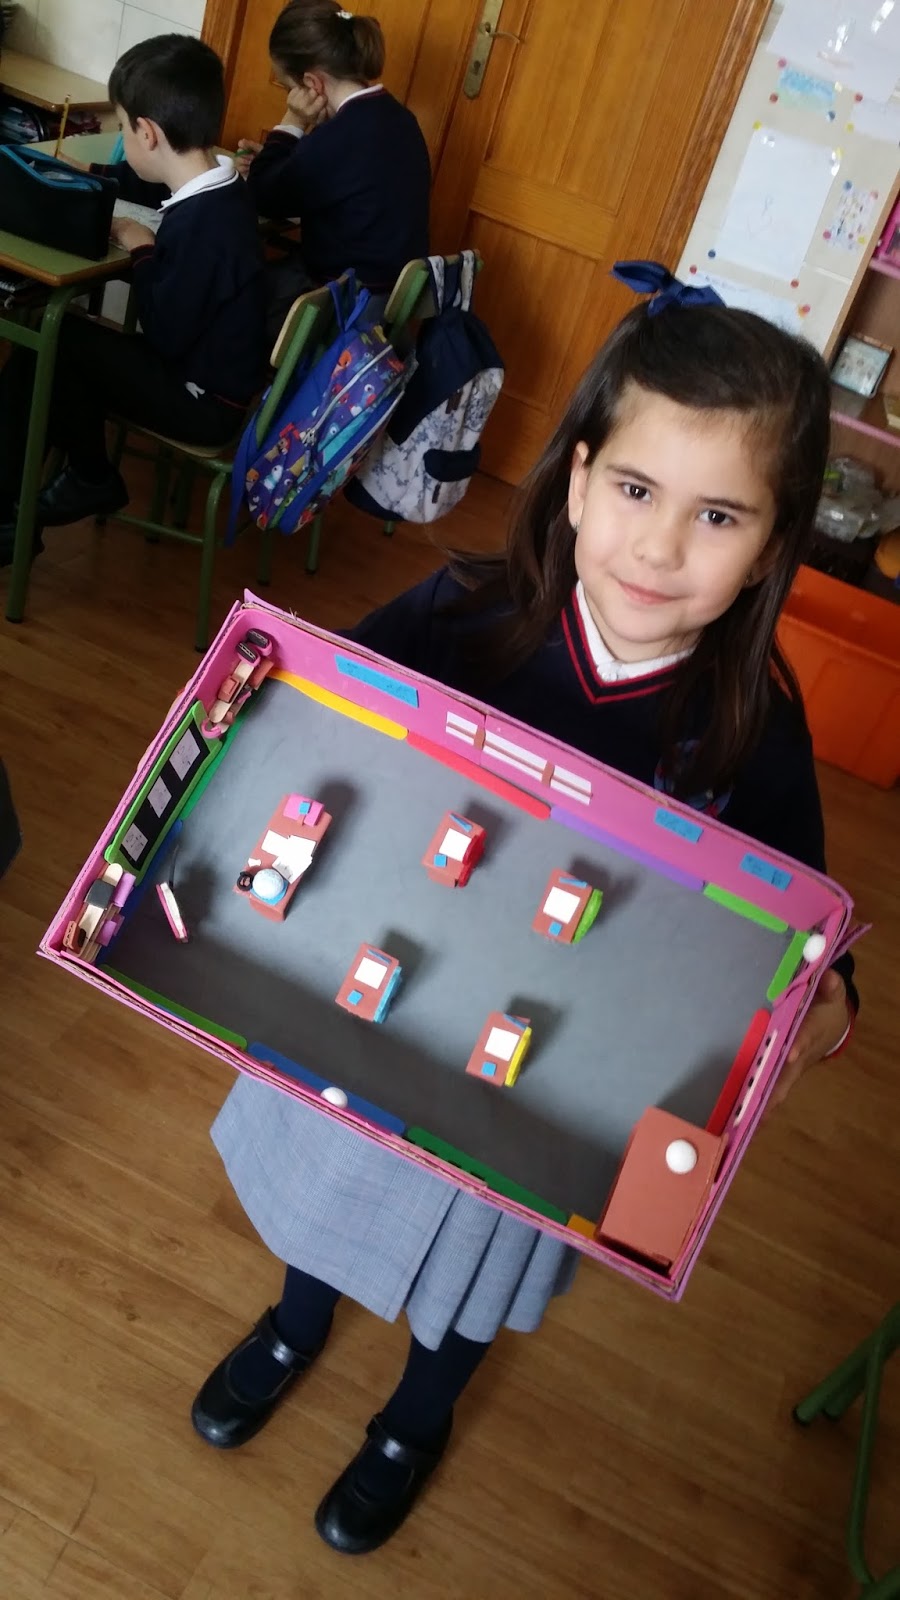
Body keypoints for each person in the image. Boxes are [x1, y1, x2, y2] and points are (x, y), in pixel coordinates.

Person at [191, 261, 857, 1558]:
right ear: (580, 478)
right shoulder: (465, 612)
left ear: (773, 546)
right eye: (637, 490)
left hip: (552, 1084)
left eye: (720, 516)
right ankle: (293, 1323)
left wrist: (811, 1005)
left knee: (474, 1260)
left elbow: (805, 950)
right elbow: (318, 703)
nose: (660, 547)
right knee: (338, 1179)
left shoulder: (754, 731)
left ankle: (415, 1418)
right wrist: (247, 719)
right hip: (378, 1005)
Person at [0, 34, 267, 561]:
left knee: (57, 342)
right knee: (55, 346)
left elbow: (165, 333)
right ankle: (55, 492)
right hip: (205, 377)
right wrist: (97, 176)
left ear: (146, 132)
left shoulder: (204, 227)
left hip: (205, 402)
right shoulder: (221, 187)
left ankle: (62, 489)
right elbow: (154, 181)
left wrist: (143, 248)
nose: (122, 136)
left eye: (122, 127)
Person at [237, 0, 430, 339]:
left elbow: (262, 195)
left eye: (289, 89)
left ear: (312, 84)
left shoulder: (338, 136)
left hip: (340, 311)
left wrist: (293, 121)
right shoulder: (399, 119)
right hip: (384, 309)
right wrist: (283, 159)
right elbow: (339, 180)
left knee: (226, 292)